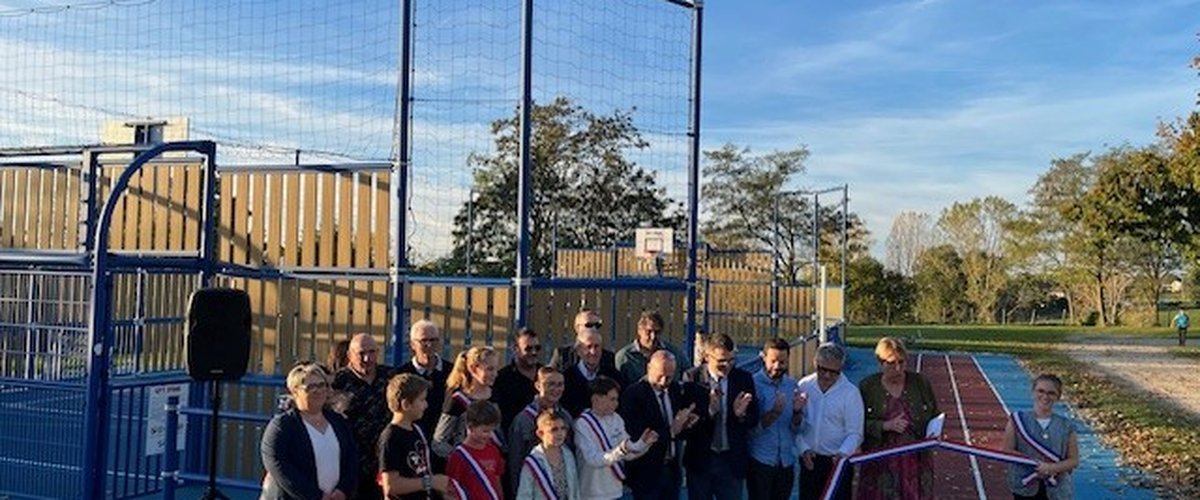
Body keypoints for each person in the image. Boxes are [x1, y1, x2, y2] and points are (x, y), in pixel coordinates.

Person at [857, 337, 939, 500]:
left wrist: (935, 431)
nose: (898, 368)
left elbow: (934, 413)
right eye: (892, 363)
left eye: (902, 362)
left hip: (916, 461)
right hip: (879, 461)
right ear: (880, 363)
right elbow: (856, 425)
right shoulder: (867, 387)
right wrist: (884, 426)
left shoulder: (920, 383)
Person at [261, 362, 358, 500]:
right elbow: (277, 465)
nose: (317, 391)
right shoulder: (283, 426)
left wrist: (343, 490)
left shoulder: (338, 422)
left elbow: (351, 458)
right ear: (295, 391)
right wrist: (315, 496)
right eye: (310, 387)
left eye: (321, 385)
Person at [681, 333, 758, 500]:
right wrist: (709, 412)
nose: (727, 365)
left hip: (730, 461)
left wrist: (741, 415)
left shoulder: (743, 379)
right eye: (721, 361)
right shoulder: (692, 379)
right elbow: (687, 426)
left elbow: (754, 418)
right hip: (701, 460)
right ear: (707, 356)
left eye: (731, 360)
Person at [618, 350, 703, 500]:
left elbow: (678, 430)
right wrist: (672, 430)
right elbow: (638, 434)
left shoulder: (674, 390)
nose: (664, 381)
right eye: (660, 376)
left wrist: (687, 424)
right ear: (649, 368)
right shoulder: (634, 394)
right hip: (646, 472)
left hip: (671, 468)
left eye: (669, 377)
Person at [332, 333, 396, 500]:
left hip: (386, 461)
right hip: (352, 463)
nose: (367, 358)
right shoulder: (338, 382)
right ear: (349, 355)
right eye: (361, 353)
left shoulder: (390, 377)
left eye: (372, 352)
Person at [796, 343, 863, 500]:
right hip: (809, 461)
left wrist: (842, 454)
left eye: (834, 372)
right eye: (822, 369)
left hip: (838, 464)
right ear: (815, 363)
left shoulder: (851, 393)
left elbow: (855, 432)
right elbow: (796, 424)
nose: (827, 376)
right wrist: (803, 449)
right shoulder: (804, 385)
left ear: (841, 368)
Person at [573, 376, 656, 500]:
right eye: (612, 399)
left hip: (616, 490)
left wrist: (644, 444)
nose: (616, 404)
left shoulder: (616, 418)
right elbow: (593, 459)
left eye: (616, 399)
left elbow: (628, 453)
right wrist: (621, 450)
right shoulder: (582, 424)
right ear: (596, 399)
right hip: (592, 493)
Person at [1002, 374, 1079, 500]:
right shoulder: (1017, 420)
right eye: (1041, 391)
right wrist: (1034, 465)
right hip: (1024, 485)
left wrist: (1050, 468)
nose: (1045, 396)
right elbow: (1006, 451)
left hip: (1057, 489)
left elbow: (1073, 460)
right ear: (1033, 392)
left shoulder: (1067, 426)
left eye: (1051, 393)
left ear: (1058, 397)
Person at [746, 338, 806, 500]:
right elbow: (750, 430)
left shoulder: (792, 386)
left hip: (786, 461)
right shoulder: (752, 384)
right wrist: (773, 414)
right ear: (763, 357)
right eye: (773, 361)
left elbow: (797, 429)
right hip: (761, 461)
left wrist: (797, 413)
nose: (777, 366)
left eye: (782, 362)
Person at [378, 373, 451, 500]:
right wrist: (430, 482)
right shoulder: (391, 437)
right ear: (406, 404)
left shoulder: (418, 430)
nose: (426, 405)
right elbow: (391, 485)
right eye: (422, 400)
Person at [508, 366, 574, 492]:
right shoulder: (523, 420)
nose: (556, 389)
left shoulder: (566, 417)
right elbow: (515, 464)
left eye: (560, 384)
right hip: (534, 487)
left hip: (561, 487)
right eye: (550, 384)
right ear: (538, 386)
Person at [433, 346, 500, 458]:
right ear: (473, 369)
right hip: (468, 466)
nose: (495, 374)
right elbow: (439, 442)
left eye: (496, 369)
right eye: (489, 369)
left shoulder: (496, 394)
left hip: (491, 463)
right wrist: (462, 458)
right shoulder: (457, 400)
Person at [396, 320, 454, 440]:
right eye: (424, 340)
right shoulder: (402, 375)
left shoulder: (452, 372)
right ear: (412, 344)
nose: (429, 345)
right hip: (413, 437)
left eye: (433, 340)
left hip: (446, 439)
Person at [445, 400, 505, 500]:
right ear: (471, 427)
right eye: (485, 431)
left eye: (492, 430)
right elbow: (452, 490)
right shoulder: (458, 456)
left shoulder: (493, 450)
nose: (490, 435)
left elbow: (496, 481)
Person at [516, 410, 581, 500]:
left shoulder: (568, 455)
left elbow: (574, 489)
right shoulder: (533, 461)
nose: (560, 433)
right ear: (540, 433)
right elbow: (524, 494)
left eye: (563, 428)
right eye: (554, 430)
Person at [560, 329, 625, 417]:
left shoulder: (614, 376)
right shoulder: (567, 378)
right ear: (578, 350)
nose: (593, 352)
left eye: (597, 346)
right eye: (588, 347)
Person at [614, 310, 688, 383]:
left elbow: (688, 372)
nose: (653, 337)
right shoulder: (625, 357)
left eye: (657, 332)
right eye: (648, 332)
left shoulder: (673, 353)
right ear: (639, 331)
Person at [494, 327, 543, 431]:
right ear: (515, 349)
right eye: (528, 349)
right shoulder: (502, 379)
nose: (534, 352)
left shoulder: (545, 375)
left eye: (537, 348)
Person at [549, 309, 617, 373]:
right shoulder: (563, 355)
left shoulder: (608, 357)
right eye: (589, 325)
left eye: (597, 325)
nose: (593, 328)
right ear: (577, 327)